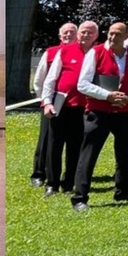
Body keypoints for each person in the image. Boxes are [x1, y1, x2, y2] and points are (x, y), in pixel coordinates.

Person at [71, 22, 128, 212]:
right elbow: (83, 84)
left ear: (126, 35)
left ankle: (124, 191)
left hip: (124, 112)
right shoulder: (95, 53)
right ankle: (80, 197)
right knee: (89, 154)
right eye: (110, 33)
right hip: (98, 111)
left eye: (118, 34)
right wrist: (107, 96)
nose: (112, 37)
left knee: (126, 154)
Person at [40, 21, 96, 198]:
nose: (85, 36)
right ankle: (52, 183)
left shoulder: (97, 54)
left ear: (95, 36)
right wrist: (47, 102)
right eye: (83, 32)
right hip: (61, 105)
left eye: (89, 33)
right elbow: (50, 79)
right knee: (54, 145)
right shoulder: (65, 51)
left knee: (76, 146)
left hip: (84, 108)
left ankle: (69, 182)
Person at [30, 21, 77, 189]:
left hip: (71, 106)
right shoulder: (50, 53)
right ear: (60, 36)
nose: (68, 35)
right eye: (65, 33)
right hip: (51, 102)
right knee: (45, 140)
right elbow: (40, 79)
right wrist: (44, 100)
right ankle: (38, 173)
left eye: (72, 32)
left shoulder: (83, 53)